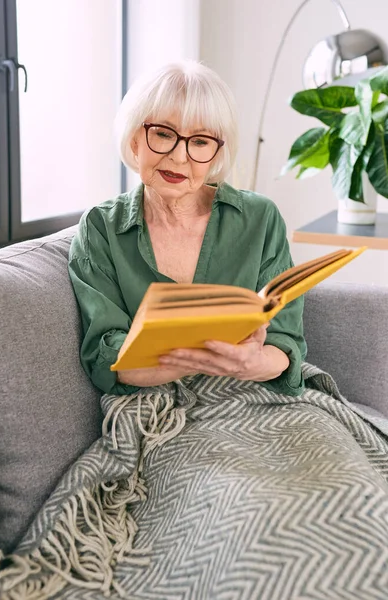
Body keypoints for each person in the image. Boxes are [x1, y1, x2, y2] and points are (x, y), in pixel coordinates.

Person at [68, 60, 307, 398]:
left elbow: (285, 344)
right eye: (163, 134)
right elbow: (108, 357)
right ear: (135, 138)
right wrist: (201, 358)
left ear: (216, 153)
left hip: (252, 395)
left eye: (200, 141)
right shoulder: (100, 228)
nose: (180, 157)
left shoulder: (260, 218)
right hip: (152, 404)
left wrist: (250, 362)